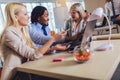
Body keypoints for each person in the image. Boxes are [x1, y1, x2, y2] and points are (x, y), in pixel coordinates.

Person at [0, 2, 64, 80]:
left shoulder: (23, 31)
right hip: (14, 76)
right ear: (15, 17)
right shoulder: (9, 33)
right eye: (25, 14)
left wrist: (53, 48)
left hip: (25, 73)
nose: (29, 17)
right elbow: (34, 55)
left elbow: (35, 50)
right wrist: (53, 39)